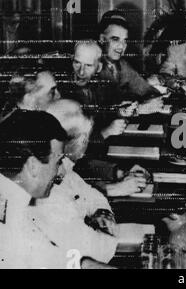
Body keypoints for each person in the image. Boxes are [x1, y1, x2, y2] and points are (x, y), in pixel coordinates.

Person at [0, 110, 112, 268]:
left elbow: (43, 254)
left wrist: (85, 264)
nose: (59, 172)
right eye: (58, 162)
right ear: (33, 166)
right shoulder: (7, 220)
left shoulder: (13, 201)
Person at [32, 99, 118, 265]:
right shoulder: (47, 189)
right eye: (86, 138)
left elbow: (94, 195)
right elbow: (96, 252)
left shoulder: (65, 169)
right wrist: (108, 230)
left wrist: (102, 212)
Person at [98, 10, 163, 108]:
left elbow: (144, 88)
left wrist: (155, 97)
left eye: (125, 40)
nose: (121, 46)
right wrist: (140, 107)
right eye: (115, 39)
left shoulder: (121, 64)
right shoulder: (91, 64)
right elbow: (103, 108)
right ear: (102, 39)